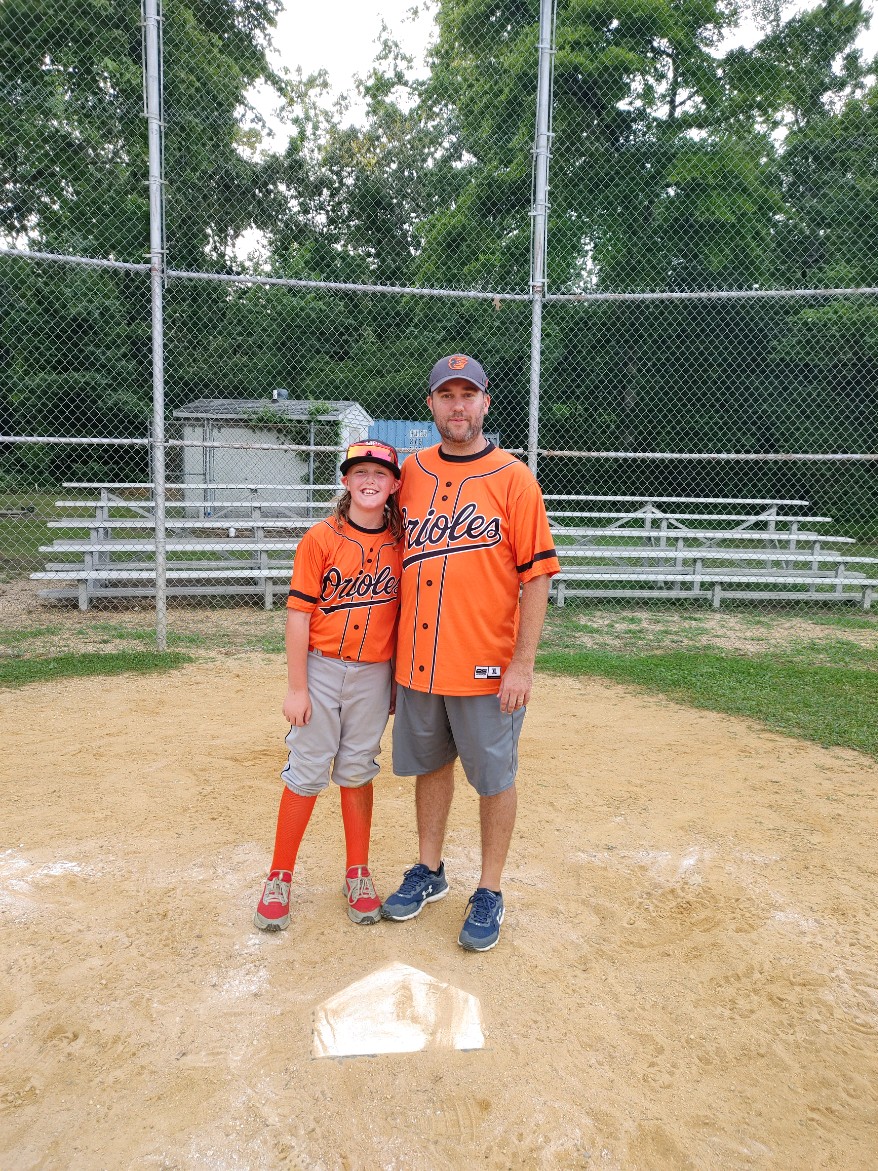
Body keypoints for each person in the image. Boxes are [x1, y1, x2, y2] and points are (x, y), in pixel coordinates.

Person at [381, 355, 560, 951]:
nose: (457, 406)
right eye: (446, 395)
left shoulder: (514, 477)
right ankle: (429, 871)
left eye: (469, 394)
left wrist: (523, 663)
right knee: (430, 766)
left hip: (487, 664)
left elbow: (537, 577)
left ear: (486, 403)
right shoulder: (410, 473)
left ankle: (489, 889)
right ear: (430, 405)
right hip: (419, 662)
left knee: (492, 777)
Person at [253, 440, 403, 932]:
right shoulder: (319, 538)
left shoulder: (403, 543)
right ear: (344, 481)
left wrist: (397, 681)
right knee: (308, 768)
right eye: (359, 472)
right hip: (321, 666)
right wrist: (297, 687)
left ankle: (357, 872)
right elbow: (298, 615)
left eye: (379, 474)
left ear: (394, 484)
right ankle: (279, 877)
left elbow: (406, 618)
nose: (369, 481)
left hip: (374, 673)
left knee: (358, 767)